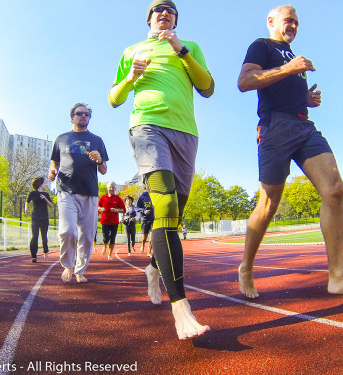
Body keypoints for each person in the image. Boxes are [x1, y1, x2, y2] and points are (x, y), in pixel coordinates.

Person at [236, 5, 343, 300]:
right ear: (271, 21)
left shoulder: (291, 54)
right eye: (289, 21)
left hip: (304, 127)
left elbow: (285, 89)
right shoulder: (261, 46)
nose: (294, 26)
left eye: (297, 23)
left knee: (335, 189)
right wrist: (289, 68)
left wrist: (306, 98)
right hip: (274, 127)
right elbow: (245, 82)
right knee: (268, 204)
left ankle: (337, 276)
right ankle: (246, 267)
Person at [109, 0, 214, 339]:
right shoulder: (132, 50)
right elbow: (114, 98)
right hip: (147, 127)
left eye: (170, 10)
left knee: (175, 213)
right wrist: (131, 77)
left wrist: (180, 50)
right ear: (149, 19)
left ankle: (154, 268)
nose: (164, 13)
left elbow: (208, 88)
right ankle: (181, 308)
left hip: (186, 133)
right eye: (158, 10)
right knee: (164, 206)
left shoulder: (190, 47)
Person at [49, 103, 108, 283]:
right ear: (72, 117)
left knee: (87, 236)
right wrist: (52, 171)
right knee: (68, 232)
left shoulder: (97, 140)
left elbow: (104, 170)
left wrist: (99, 161)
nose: (84, 116)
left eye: (87, 114)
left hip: (89, 191)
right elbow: (54, 162)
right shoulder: (61, 138)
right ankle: (68, 265)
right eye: (80, 113)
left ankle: (80, 270)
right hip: (66, 190)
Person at [25, 177, 53, 263]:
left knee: (44, 236)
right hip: (35, 218)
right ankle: (34, 256)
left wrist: (45, 199)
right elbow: (27, 202)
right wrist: (26, 209)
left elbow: (51, 206)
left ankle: (45, 251)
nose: (46, 184)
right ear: (40, 184)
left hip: (45, 218)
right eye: (44, 183)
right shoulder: (33, 194)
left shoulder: (46, 194)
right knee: (35, 236)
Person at [98, 182, 125, 260]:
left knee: (112, 239)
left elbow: (124, 210)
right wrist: (100, 209)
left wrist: (116, 210)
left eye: (113, 187)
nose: (111, 189)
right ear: (107, 188)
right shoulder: (103, 198)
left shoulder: (118, 199)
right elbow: (98, 206)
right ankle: (104, 246)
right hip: (105, 221)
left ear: (115, 189)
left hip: (114, 222)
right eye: (110, 187)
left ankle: (110, 254)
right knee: (106, 238)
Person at [136, 191, 154, 257]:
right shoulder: (142, 196)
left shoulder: (156, 194)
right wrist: (144, 211)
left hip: (154, 219)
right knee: (144, 237)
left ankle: (149, 251)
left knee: (152, 236)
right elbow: (136, 207)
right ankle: (142, 245)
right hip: (145, 219)